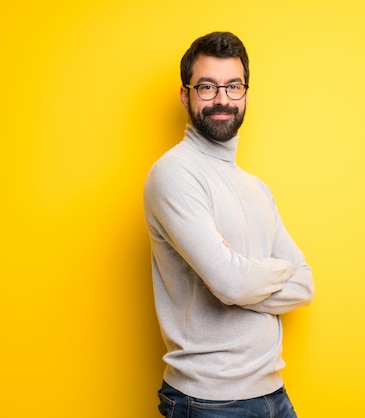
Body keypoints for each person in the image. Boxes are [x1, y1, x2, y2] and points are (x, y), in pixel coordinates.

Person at [143, 31, 314, 418]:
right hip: (208, 402)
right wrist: (238, 279)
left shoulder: (256, 187)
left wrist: (239, 274)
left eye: (233, 86)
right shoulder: (175, 174)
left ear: (245, 95)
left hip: (274, 393)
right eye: (207, 86)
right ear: (186, 96)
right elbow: (230, 283)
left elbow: (304, 284)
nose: (222, 99)